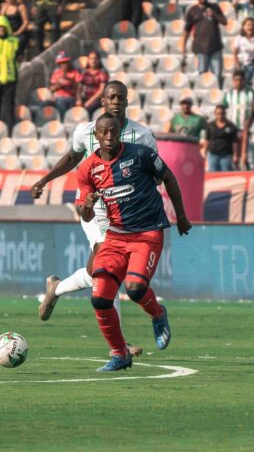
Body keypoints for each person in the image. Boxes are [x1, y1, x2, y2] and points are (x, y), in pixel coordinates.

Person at [31, 81, 155, 358]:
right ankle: (119, 345)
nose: (116, 101)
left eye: (120, 97)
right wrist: (45, 180)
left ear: (127, 101)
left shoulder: (142, 135)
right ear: (103, 101)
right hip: (94, 207)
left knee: (96, 271)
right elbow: (72, 158)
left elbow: (156, 175)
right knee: (108, 262)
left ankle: (56, 288)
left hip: (126, 211)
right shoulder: (85, 131)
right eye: (111, 97)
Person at [75, 113, 191, 372]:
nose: (109, 136)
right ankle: (120, 354)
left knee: (135, 289)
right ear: (96, 135)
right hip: (115, 236)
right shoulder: (87, 169)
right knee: (100, 298)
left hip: (147, 233)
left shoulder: (140, 154)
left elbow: (169, 178)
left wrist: (181, 217)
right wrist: (86, 206)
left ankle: (158, 313)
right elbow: (85, 214)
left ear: (119, 132)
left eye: (113, 131)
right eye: (104, 132)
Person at [180, 0, 225, 84]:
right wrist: (183, 46)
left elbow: (224, 22)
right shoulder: (192, 10)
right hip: (200, 48)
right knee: (201, 75)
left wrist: (214, 15)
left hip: (215, 46)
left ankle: (217, 91)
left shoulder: (214, 7)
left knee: (217, 75)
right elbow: (187, 29)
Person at [205, 105, 239, 172]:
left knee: (225, 174)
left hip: (226, 155)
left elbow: (235, 142)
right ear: (215, 114)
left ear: (225, 114)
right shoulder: (210, 125)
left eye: (222, 114)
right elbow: (207, 139)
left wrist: (235, 155)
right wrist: (204, 152)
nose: (220, 116)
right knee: (213, 174)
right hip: (213, 154)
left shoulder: (231, 126)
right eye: (218, 114)